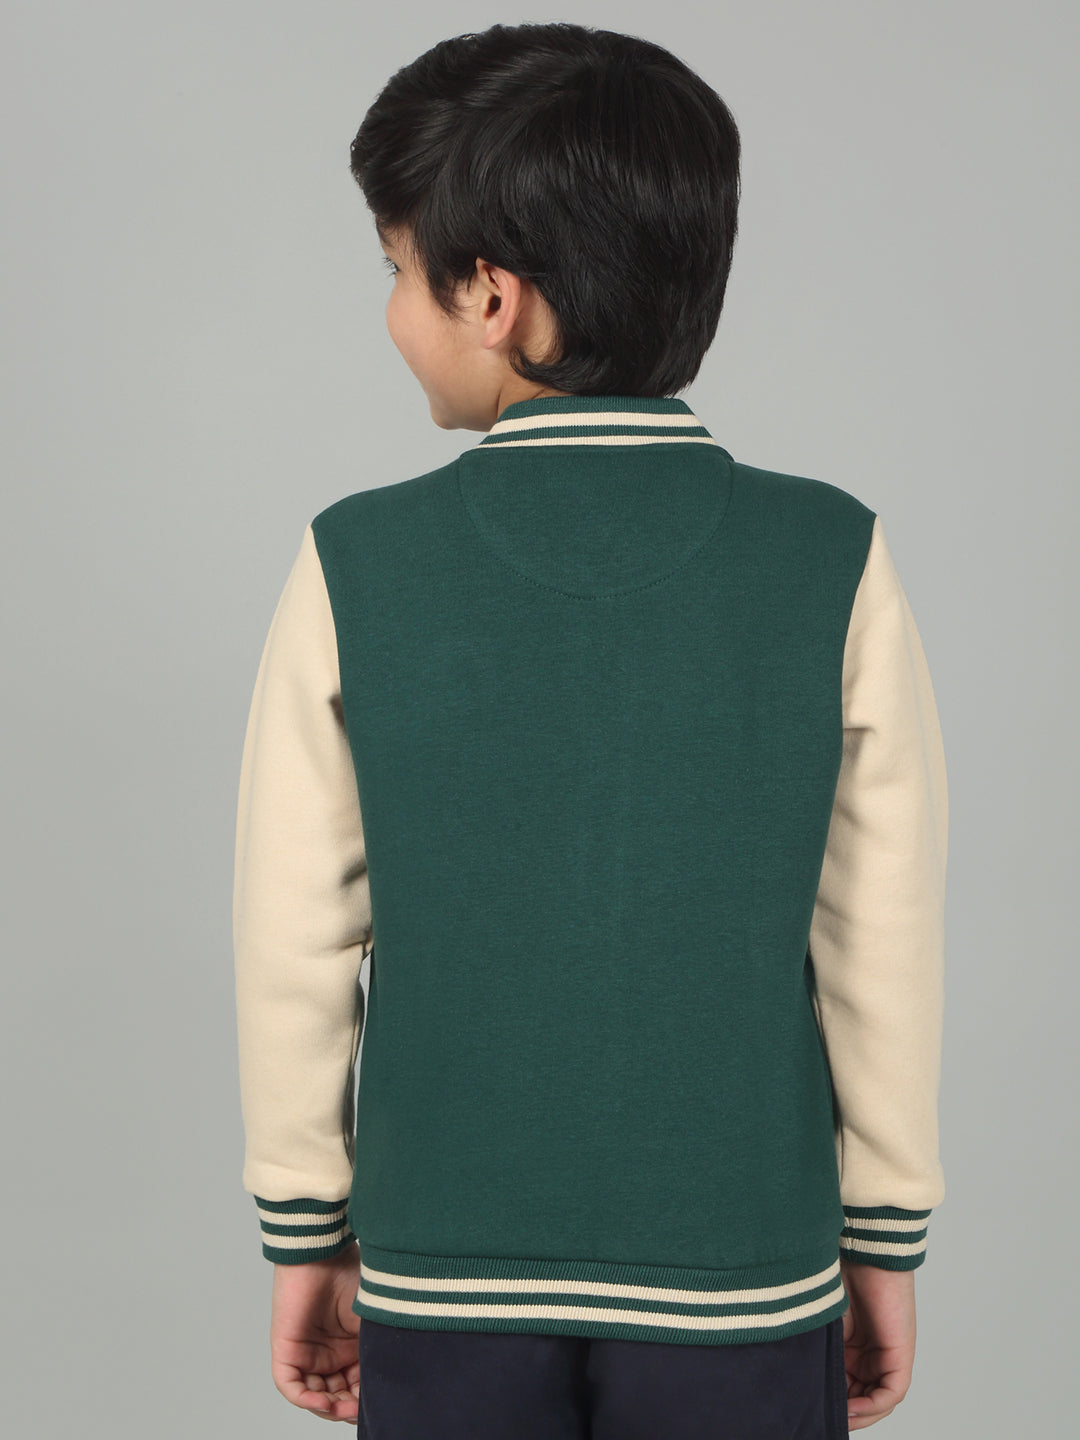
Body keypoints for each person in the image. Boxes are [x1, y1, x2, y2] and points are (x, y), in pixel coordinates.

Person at [232, 21, 948, 1438]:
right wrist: (883, 1236)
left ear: (490, 295)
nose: (391, 309)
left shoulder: (356, 563)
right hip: (744, 1269)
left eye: (396, 269)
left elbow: (292, 935)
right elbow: (881, 934)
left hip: (444, 1267)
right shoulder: (831, 557)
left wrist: (305, 1227)